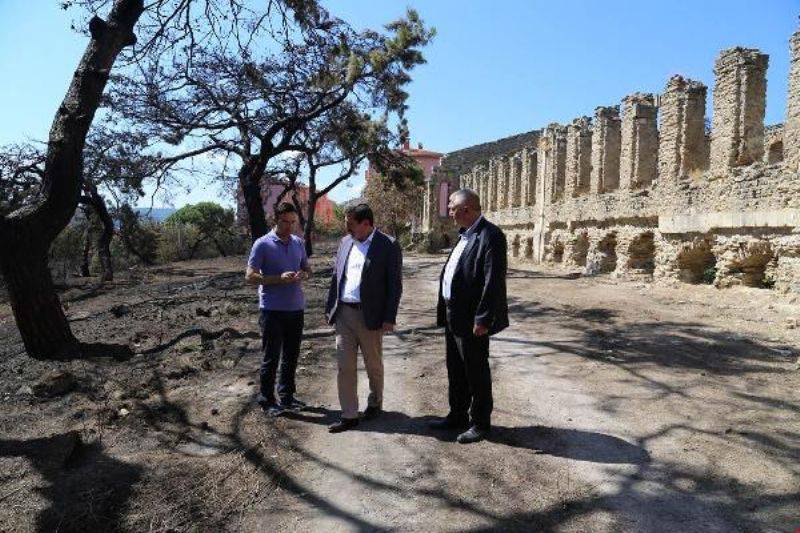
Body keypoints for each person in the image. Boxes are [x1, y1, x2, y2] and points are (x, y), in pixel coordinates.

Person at [430, 188, 509, 444]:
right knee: (456, 369)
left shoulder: (490, 235)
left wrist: (484, 319)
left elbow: (493, 281)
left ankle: (480, 423)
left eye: (452, 208)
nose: (449, 212)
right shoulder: (465, 234)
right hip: (454, 313)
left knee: (476, 371)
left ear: (466, 209)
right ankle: (457, 415)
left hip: (472, 318)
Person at [325, 203, 403, 433]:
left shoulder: (388, 245)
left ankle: (375, 402)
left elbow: (394, 285)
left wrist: (389, 317)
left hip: (372, 316)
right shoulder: (345, 242)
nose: (347, 229)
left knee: (373, 365)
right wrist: (330, 308)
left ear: (366, 224)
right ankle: (349, 415)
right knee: (344, 366)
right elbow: (336, 277)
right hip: (344, 314)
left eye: (351, 225)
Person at [245, 203, 312, 417]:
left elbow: (307, 268)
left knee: (291, 355)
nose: (290, 226)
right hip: (272, 310)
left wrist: (304, 274)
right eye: (285, 222)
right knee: (271, 357)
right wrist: (276, 279)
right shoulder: (262, 244)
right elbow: (250, 276)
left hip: (296, 308)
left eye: (293, 222)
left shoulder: (298, 243)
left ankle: (287, 396)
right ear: (276, 220)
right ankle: (267, 400)